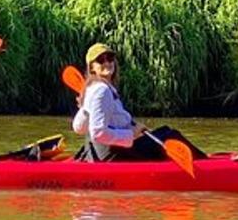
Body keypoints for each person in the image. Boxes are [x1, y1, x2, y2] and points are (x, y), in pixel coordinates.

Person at [72, 42, 206, 163]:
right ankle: (205, 165)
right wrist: (132, 134)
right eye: (101, 60)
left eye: (110, 58)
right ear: (92, 68)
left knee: (165, 131)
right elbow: (98, 133)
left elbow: (78, 127)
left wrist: (85, 108)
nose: (107, 63)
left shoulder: (92, 89)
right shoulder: (101, 91)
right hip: (113, 155)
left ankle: (202, 160)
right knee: (171, 135)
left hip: (104, 152)